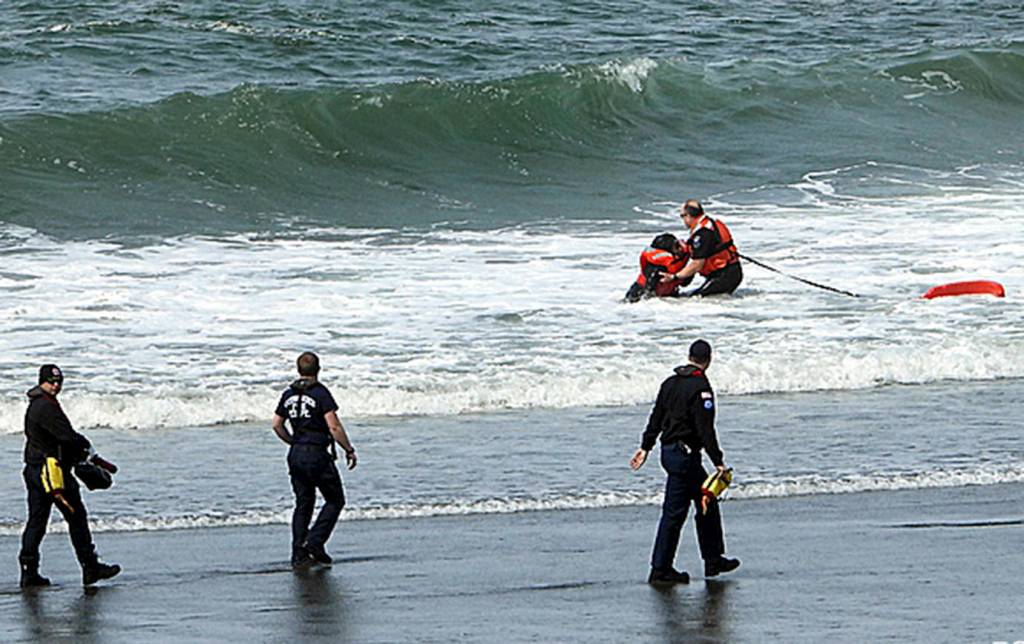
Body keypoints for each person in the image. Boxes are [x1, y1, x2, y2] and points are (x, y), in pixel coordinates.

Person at [629, 340, 740, 584]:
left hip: (670, 452)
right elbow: (705, 427)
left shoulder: (669, 383)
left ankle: (712, 560)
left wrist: (645, 447)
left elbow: (656, 417)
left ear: (689, 357)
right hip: (685, 455)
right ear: (708, 360)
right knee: (676, 512)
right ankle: (662, 569)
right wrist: (718, 461)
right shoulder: (701, 387)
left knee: (705, 503)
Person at [19, 365, 121, 588]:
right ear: (42, 381)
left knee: (36, 521)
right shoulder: (46, 407)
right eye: (51, 382)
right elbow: (67, 437)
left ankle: (29, 572)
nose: (56, 386)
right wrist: (86, 450)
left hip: (34, 469)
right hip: (52, 473)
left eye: (59, 382)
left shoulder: (37, 403)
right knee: (76, 517)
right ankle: (90, 567)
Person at [272, 352, 357, 567]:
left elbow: (276, 424)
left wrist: (292, 442)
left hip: (296, 454)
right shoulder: (320, 393)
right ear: (318, 369)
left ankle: (298, 552)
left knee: (303, 503)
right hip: (317, 453)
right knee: (335, 499)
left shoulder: (288, 393)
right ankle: (315, 542)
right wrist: (348, 449)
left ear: (299, 369)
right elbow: (334, 426)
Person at [664, 200, 742, 296]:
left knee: (695, 300)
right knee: (692, 297)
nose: (683, 220)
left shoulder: (703, 233)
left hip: (725, 275)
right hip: (727, 272)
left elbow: (697, 264)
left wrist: (675, 277)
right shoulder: (707, 224)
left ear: (688, 216)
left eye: (682, 216)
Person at [624, 233, 693, 302]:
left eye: (679, 244)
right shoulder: (656, 266)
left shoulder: (680, 261)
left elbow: (685, 283)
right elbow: (648, 292)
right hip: (641, 293)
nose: (680, 249)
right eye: (676, 246)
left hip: (669, 295)